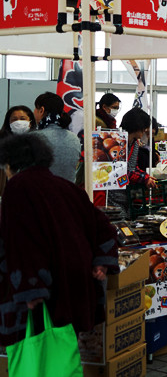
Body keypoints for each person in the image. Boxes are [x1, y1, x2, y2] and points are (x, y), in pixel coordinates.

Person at [0, 133, 118, 347]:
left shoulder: (17, 188)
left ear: (11, 163)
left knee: (42, 351)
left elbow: (22, 241)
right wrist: (102, 261)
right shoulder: (65, 186)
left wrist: (30, 287)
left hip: (46, 284)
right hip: (77, 279)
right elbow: (104, 226)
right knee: (64, 345)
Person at [107, 108, 157, 218]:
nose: (144, 133)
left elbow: (133, 168)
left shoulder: (134, 144)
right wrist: (144, 178)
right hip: (110, 195)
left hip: (126, 194)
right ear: (137, 127)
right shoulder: (116, 140)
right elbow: (121, 171)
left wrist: (147, 177)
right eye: (144, 129)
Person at [30, 92, 81, 183]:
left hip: (40, 194)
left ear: (41, 110)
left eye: (35, 108)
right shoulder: (74, 139)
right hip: (67, 194)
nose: (33, 112)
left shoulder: (33, 138)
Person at [0, 105, 35, 196]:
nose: (18, 122)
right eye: (14, 119)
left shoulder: (37, 143)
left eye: (22, 119)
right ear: (9, 123)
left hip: (30, 190)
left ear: (30, 122)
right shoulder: (2, 142)